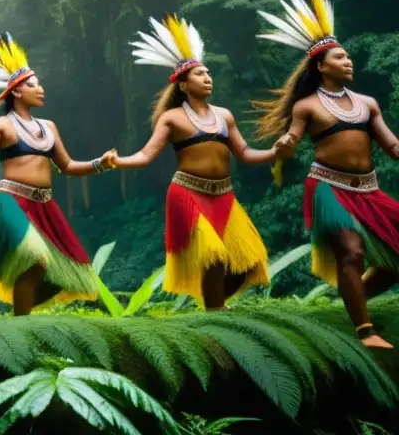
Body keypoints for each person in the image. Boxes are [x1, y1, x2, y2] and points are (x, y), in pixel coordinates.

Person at [256, 0, 399, 348]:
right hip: (328, 188)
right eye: (340, 56)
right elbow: (291, 138)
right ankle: (365, 331)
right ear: (321, 65)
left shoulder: (367, 104)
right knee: (351, 252)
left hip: (368, 189)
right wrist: (285, 145)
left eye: (348, 55)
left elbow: (393, 146)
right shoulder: (306, 105)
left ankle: (351, 301)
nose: (348, 60)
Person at [111, 15, 276, 310]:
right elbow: (146, 155)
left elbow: (247, 155)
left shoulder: (224, 115)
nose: (208, 78)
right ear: (184, 84)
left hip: (223, 194)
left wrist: (276, 151)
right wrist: (118, 161)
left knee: (250, 261)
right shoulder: (172, 118)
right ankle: (215, 312)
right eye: (200, 74)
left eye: (208, 73)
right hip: (188, 194)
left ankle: (212, 306)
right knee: (213, 255)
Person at [0, 33, 114, 316]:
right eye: (32, 85)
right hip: (11, 202)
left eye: (39, 84)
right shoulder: (2, 125)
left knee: (62, 273)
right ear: (16, 91)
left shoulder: (49, 127)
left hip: (44, 206)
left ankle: (21, 317)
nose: (40, 89)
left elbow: (68, 167)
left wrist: (100, 163)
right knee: (34, 256)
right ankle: (21, 321)